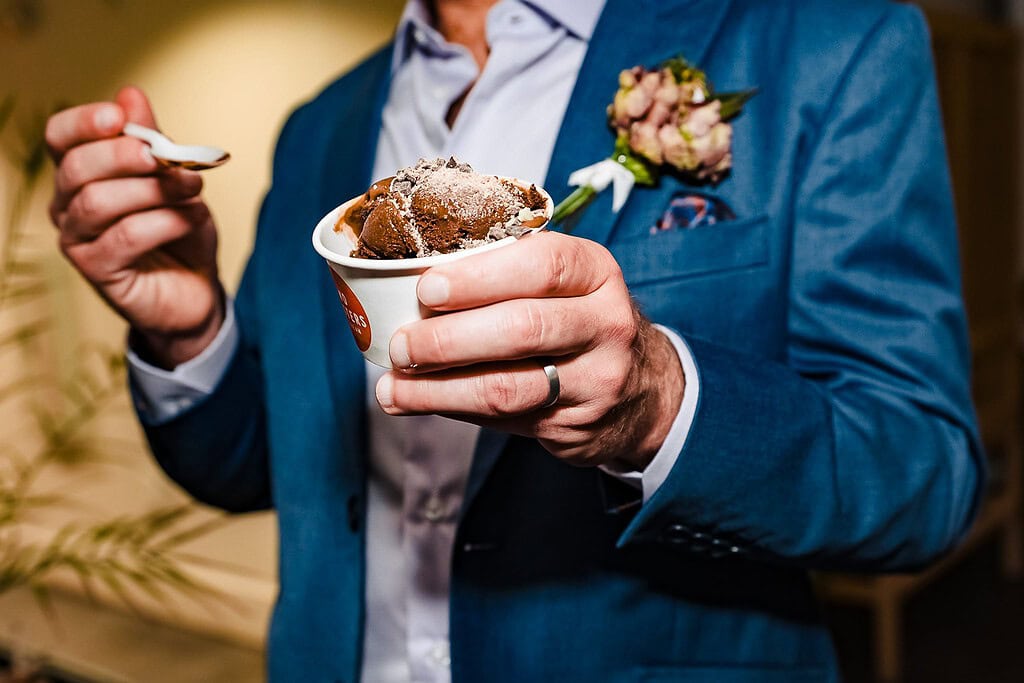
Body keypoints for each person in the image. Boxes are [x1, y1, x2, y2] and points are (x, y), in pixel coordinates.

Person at [45, 0, 984, 680]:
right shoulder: (319, 130)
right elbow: (257, 461)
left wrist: (659, 400)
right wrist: (188, 329)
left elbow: (923, 472)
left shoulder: (837, 44)